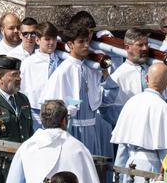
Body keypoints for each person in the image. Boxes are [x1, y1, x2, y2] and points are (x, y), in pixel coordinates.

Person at [39, 21, 118, 159]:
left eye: (87, 41)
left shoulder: (92, 69)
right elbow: (50, 107)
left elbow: (107, 99)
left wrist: (105, 73)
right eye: (81, 42)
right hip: (72, 131)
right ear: (70, 45)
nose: (86, 45)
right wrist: (67, 110)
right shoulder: (63, 71)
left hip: (93, 130)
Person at [111, 62, 167, 178]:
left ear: (146, 79)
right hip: (152, 169)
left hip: (129, 165)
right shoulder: (163, 108)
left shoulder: (131, 102)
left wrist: (118, 175)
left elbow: (122, 146)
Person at [5, 99, 101, 183]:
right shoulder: (78, 149)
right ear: (64, 120)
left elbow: (14, 180)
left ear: (42, 119)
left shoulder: (27, 147)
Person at [20, 21, 63, 130]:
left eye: (54, 39)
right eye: (47, 39)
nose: (51, 42)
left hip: (58, 111)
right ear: (38, 40)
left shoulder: (61, 61)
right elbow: (22, 89)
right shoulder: (29, 63)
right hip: (36, 111)